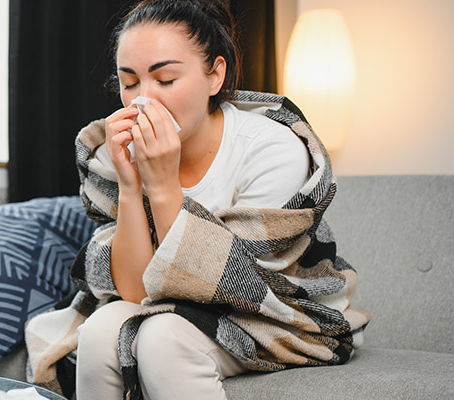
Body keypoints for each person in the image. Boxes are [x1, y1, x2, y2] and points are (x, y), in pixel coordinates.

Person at [23, 0, 370, 399]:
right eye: (130, 83)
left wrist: (165, 185)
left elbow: (234, 285)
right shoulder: (113, 154)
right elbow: (135, 292)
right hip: (174, 304)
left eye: (165, 79)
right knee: (102, 327)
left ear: (215, 76)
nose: (143, 102)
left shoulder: (275, 148)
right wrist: (133, 186)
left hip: (278, 313)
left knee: (162, 337)